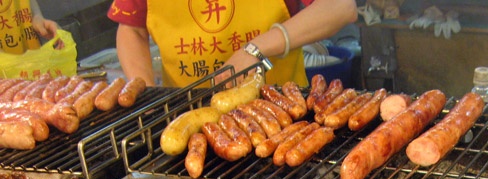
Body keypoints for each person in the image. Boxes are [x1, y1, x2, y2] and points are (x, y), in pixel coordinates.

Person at [106, 0, 358, 88]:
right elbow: (131, 29)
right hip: (187, 118)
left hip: (280, 114)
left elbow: (340, 6)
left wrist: (255, 50)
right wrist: (148, 94)